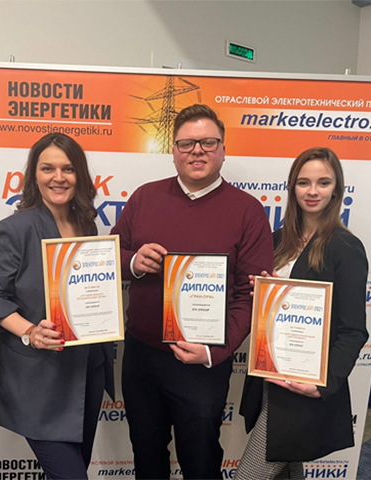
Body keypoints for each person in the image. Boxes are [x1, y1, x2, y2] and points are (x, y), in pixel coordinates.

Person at [110, 104, 274, 479]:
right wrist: (133, 261)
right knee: (146, 454)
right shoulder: (144, 197)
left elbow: (250, 296)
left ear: (223, 149)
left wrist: (214, 352)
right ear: (173, 151)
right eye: (186, 143)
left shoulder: (248, 211)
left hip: (202, 362)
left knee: (200, 460)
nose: (197, 151)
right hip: (142, 356)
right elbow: (109, 256)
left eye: (207, 142)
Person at [0, 133, 115, 480]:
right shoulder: (15, 229)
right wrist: (30, 331)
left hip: (86, 372)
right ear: (34, 175)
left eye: (68, 169)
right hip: (39, 380)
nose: (58, 177)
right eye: (48, 168)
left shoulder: (87, 225)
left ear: (79, 175)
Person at [235, 147, 369, 479]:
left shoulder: (345, 247)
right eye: (303, 182)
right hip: (269, 377)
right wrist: (261, 297)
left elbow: (353, 330)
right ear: (292, 187)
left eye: (323, 183)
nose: (313, 191)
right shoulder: (275, 240)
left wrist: (323, 385)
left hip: (304, 387)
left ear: (336, 190)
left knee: (249, 474)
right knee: (287, 470)